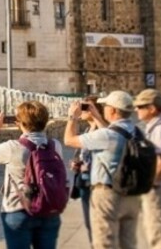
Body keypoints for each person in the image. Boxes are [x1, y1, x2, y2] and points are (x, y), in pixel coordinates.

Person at [0, 101, 63, 248]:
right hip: (49, 209)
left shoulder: (13, 147)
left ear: (19, 123)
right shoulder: (55, 145)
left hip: (18, 209)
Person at [64, 90, 141, 249]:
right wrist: (98, 117)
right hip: (132, 194)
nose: (103, 108)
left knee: (104, 243)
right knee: (127, 243)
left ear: (112, 110)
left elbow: (68, 140)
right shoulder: (137, 131)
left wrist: (72, 117)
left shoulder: (107, 135)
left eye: (105, 106)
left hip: (109, 194)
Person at [134, 89, 161, 249]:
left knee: (159, 235)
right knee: (154, 233)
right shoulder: (157, 127)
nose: (136, 110)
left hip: (159, 189)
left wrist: (150, 185)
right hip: (159, 187)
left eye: (140, 106)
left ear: (152, 108)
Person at [69, 96, 108, 244]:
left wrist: (96, 116)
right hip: (84, 181)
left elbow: (109, 136)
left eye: (85, 107)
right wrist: (76, 162)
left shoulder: (102, 127)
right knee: (90, 224)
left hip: (99, 182)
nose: (82, 110)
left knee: (99, 225)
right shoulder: (87, 128)